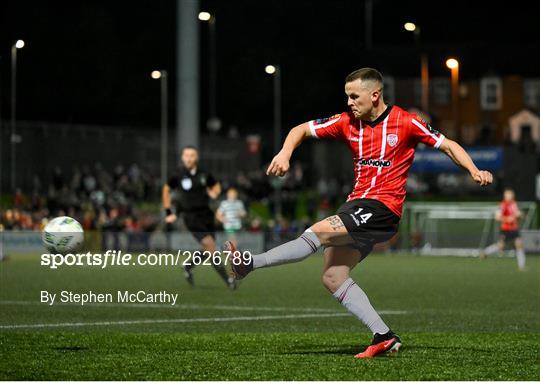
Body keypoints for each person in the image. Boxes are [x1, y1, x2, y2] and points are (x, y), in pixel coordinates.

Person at [224, 68, 493, 358]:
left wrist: (474, 170)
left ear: (374, 94)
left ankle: (250, 263)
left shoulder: (406, 121)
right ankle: (384, 336)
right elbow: (299, 130)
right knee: (333, 277)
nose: (349, 102)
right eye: (347, 96)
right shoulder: (346, 122)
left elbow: (448, 145)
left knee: (318, 232)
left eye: (354, 96)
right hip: (357, 206)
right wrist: (284, 153)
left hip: (382, 209)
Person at [163, 146, 236, 289]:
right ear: (182, 157)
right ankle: (228, 280)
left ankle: (188, 266)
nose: (189, 158)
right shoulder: (177, 175)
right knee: (210, 246)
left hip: (207, 215)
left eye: (192, 155)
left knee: (208, 248)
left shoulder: (204, 174)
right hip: (191, 217)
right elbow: (166, 190)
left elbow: (216, 187)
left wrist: (214, 192)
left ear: (196, 157)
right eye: (186, 155)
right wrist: (169, 213)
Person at [480, 189, 526, 270]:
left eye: (510, 195)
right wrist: (507, 219)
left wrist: (521, 215)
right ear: (505, 196)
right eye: (507, 195)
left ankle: (521, 267)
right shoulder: (503, 205)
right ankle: (485, 252)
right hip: (506, 229)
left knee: (519, 245)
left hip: (514, 229)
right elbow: (497, 217)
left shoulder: (514, 204)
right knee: (500, 246)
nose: (509, 196)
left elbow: (518, 215)